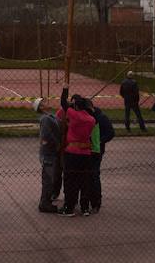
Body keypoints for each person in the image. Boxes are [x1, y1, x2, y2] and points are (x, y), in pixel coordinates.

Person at [55, 85, 96, 217]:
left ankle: (69, 207)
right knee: (84, 180)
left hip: (72, 152)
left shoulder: (74, 115)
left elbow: (63, 103)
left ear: (76, 106)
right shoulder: (91, 119)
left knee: (70, 180)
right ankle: (85, 207)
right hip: (86, 153)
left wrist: (65, 89)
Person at [85, 98, 114, 214]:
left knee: (94, 175)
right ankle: (86, 200)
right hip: (86, 150)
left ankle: (96, 201)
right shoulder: (87, 117)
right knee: (87, 175)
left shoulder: (101, 118)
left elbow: (111, 133)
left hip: (96, 151)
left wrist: (100, 141)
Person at [33, 97, 60, 213]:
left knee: (51, 178)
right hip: (49, 153)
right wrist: (57, 144)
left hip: (51, 152)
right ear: (41, 107)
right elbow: (46, 136)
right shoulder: (45, 119)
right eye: (43, 102)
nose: (47, 102)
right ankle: (45, 204)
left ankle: (46, 201)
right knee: (48, 179)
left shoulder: (50, 116)